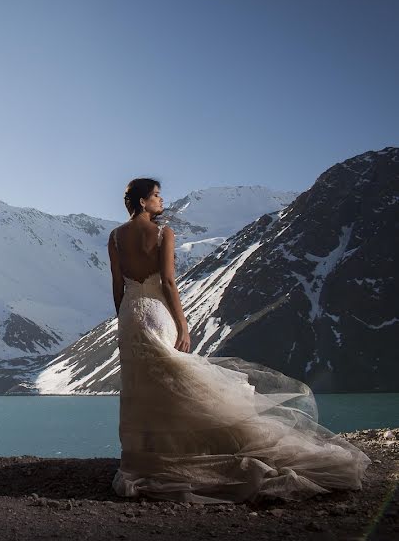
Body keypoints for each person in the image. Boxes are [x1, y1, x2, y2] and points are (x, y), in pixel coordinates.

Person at [106, 177, 371, 503]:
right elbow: (170, 283)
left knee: (140, 386)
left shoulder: (115, 237)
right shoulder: (163, 234)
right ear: (144, 202)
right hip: (158, 312)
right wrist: (184, 326)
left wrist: (124, 316)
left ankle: (146, 459)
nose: (161, 200)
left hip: (131, 314)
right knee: (172, 382)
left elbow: (118, 285)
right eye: (157, 196)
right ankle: (188, 452)